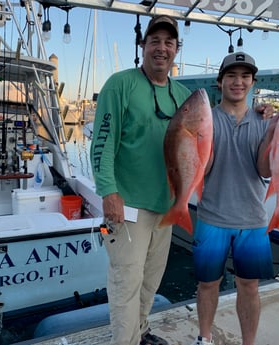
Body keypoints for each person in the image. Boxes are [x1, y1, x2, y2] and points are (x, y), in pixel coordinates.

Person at [90, 15, 191, 345]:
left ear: (176, 49)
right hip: (127, 207)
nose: (162, 48)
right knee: (125, 283)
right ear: (143, 46)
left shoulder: (183, 94)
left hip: (165, 209)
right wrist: (108, 192)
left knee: (150, 281)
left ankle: (141, 331)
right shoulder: (119, 85)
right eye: (155, 41)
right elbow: (101, 144)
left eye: (169, 42)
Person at [190, 52, 276, 345]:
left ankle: (248, 343)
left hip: (252, 219)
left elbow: (264, 170)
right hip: (211, 216)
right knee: (207, 284)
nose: (238, 82)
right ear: (220, 81)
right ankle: (204, 338)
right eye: (231, 76)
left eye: (244, 76)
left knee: (249, 286)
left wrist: (275, 128)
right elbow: (205, 168)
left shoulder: (265, 121)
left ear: (253, 82)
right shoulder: (205, 118)